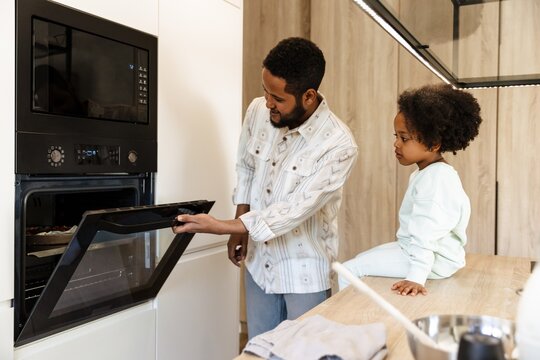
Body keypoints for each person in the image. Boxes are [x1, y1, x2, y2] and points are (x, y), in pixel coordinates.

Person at [172, 37, 358, 339]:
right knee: (259, 348)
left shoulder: (339, 145)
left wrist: (223, 225)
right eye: (265, 91)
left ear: (308, 96)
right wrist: (239, 227)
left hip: (305, 275)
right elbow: (246, 165)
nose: (268, 102)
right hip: (259, 265)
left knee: (304, 352)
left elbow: (294, 211)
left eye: (278, 98)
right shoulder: (258, 110)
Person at [338, 83, 482, 296]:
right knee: (360, 260)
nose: (396, 144)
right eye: (395, 136)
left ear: (433, 144)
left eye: (404, 138)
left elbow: (427, 231)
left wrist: (415, 277)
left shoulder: (436, 179)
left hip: (432, 260)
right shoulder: (429, 173)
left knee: (348, 270)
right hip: (418, 251)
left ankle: (348, 325)